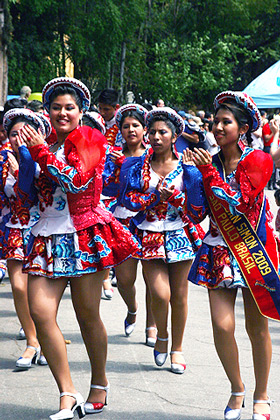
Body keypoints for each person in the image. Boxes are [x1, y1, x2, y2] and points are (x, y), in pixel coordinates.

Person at [17, 77, 139, 419]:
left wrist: (39, 150)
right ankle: (67, 392)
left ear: (80, 110)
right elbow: (29, 197)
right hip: (46, 238)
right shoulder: (42, 145)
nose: (62, 113)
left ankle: (99, 384)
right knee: (40, 313)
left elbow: (76, 179)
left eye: (69, 107)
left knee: (87, 315)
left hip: (84, 232)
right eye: (56, 107)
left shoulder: (91, 139)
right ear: (47, 110)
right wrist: (23, 163)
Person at [183, 91, 280, 420]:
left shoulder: (259, 160)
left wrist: (206, 174)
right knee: (222, 326)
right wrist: (190, 179)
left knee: (257, 328)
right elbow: (196, 214)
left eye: (227, 122)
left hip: (252, 253)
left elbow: (239, 201)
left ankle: (262, 395)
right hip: (217, 253)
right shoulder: (207, 163)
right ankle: (236, 387)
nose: (218, 127)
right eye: (216, 121)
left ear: (243, 128)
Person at [119, 107, 204, 374]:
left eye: (162, 132)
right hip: (149, 234)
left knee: (179, 296)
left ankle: (176, 348)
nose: (156, 137)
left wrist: (175, 198)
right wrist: (155, 196)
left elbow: (198, 208)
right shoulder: (136, 165)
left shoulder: (187, 167)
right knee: (159, 292)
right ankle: (162, 335)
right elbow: (127, 200)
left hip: (180, 234)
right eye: (152, 132)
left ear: (175, 135)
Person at [102, 103, 157, 345]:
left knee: (153, 280)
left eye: (136, 125)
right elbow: (107, 188)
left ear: (145, 129)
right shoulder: (112, 155)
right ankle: (132, 308)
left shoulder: (154, 154)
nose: (131, 130)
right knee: (124, 280)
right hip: (121, 221)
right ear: (120, 130)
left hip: (150, 221)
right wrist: (117, 166)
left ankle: (152, 325)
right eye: (126, 126)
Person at [2, 108, 49, 368]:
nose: (18, 138)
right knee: (19, 287)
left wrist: (26, 161)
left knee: (39, 294)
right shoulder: (2, 160)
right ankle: (32, 342)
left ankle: (45, 338)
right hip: (14, 228)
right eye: (13, 134)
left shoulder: (47, 158)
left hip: (42, 228)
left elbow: (31, 191)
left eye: (24, 133)